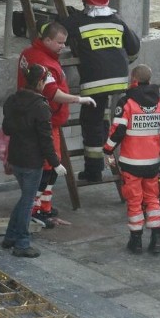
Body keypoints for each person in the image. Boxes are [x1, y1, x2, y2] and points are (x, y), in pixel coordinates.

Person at [61, 0, 141, 183]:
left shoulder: (78, 21)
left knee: (91, 122)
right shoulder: (117, 20)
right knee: (101, 114)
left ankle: (93, 170)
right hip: (119, 79)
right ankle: (106, 148)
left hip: (95, 81)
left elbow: (52, 31)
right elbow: (134, 49)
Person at [17, 21, 96, 226]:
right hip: (44, 121)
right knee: (47, 167)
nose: (63, 46)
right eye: (60, 42)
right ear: (48, 40)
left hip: (45, 120)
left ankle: (43, 207)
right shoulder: (43, 62)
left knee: (51, 167)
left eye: (65, 43)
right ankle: (36, 210)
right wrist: (79, 99)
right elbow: (52, 92)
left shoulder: (30, 53)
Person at [103, 64, 160, 255]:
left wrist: (108, 149)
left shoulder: (126, 102)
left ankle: (136, 242)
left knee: (134, 201)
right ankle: (156, 241)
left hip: (131, 163)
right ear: (150, 81)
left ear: (133, 80)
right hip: (152, 162)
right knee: (153, 199)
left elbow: (118, 131)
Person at [2, 64, 68, 258]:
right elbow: (46, 140)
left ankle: (10, 236)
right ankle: (21, 243)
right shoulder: (41, 107)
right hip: (32, 163)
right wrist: (55, 163)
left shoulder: (12, 100)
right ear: (40, 82)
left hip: (16, 159)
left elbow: (6, 129)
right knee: (27, 201)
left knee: (25, 198)